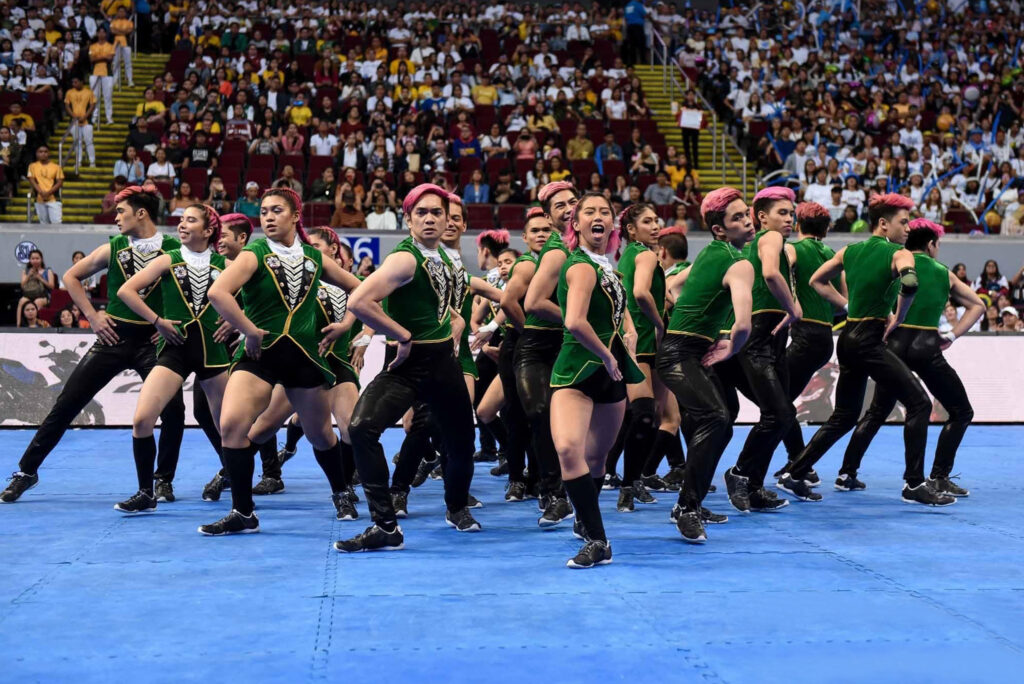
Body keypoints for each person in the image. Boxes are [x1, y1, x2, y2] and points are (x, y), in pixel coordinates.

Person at [2, 187, 185, 504]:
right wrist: (92, 316)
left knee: (174, 410)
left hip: (153, 343)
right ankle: (26, 471)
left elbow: (191, 293)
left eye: (121, 211)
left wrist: (169, 323)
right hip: (112, 337)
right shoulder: (112, 248)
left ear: (141, 213)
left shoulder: (175, 249)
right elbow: (71, 277)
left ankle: (163, 480)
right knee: (66, 404)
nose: (116, 218)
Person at [200, 189, 362, 535]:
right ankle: (243, 511)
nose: (269, 217)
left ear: (295, 216)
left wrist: (347, 324)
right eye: (264, 212)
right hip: (259, 355)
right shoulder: (254, 253)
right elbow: (217, 292)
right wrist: (249, 330)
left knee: (321, 435)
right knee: (232, 425)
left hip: (304, 357)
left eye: (276, 210)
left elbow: (360, 289)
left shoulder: (314, 257)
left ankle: (341, 491)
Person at [777, 194, 956, 507]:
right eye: (903, 222)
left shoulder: (849, 250)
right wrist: (898, 317)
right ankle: (914, 484)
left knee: (845, 415)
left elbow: (817, 280)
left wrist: (847, 306)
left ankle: (795, 472)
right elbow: (910, 283)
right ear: (883, 224)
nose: (908, 228)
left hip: (847, 338)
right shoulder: (899, 253)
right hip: (870, 340)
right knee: (918, 403)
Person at [336, 185, 484, 555]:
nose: (430, 218)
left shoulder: (445, 258)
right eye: (421, 212)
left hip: (444, 364)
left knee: (462, 441)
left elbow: (440, 302)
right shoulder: (405, 259)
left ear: (447, 220)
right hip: (408, 365)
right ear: (408, 219)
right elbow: (359, 301)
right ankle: (385, 525)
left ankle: (456, 508)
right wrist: (401, 335)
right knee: (361, 428)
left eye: (437, 212)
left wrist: (456, 321)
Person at [836, 219, 984, 496]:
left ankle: (847, 473)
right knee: (961, 411)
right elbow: (978, 305)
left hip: (892, 345)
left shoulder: (894, 264)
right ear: (930, 245)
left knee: (876, 412)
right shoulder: (943, 272)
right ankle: (938, 476)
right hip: (926, 347)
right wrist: (951, 335)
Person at [112, 205, 231, 514]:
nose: (182, 225)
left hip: (213, 354)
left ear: (208, 231)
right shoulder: (168, 258)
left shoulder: (226, 265)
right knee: (142, 420)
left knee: (229, 429)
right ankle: (145, 492)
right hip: (174, 350)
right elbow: (126, 291)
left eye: (190, 220)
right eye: (181, 220)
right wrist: (157, 321)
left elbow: (253, 299)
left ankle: (239, 491)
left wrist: (235, 323)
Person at [549, 192, 643, 568]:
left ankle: (584, 518)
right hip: (576, 371)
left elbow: (619, 313)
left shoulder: (609, 269)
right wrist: (606, 353)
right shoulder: (581, 266)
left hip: (611, 375)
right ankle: (597, 539)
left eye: (605, 211)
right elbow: (574, 321)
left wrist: (629, 334)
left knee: (598, 459)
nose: (598, 216)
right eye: (589, 211)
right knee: (569, 450)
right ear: (576, 224)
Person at [657, 187, 755, 543]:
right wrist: (729, 347)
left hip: (682, 350)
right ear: (719, 229)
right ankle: (685, 507)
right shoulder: (740, 264)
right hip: (681, 355)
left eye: (746, 213)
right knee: (716, 417)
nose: (748, 221)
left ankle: (693, 501)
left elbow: (671, 285)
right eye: (737, 218)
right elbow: (743, 325)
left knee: (723, 422)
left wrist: (691, 322)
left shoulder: (708, 254)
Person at [722, 186, 802, 513]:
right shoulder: (770, 238)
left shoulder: (762, 245)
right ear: (762, 217)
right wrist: (793, 307)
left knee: (784, 415)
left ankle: (754, 486)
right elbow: (770, 273)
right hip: (760, 339)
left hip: (771, 339)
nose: (789, 219)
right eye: (782, 213)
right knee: (779, 414)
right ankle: (739, 473)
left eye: (792, 213)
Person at [520, 181, 581, 525]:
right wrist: (576, 320)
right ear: (548, 216)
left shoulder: (583, 249)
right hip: (537, 347)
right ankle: (553, 493)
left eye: (573, 201)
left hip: (568, 345)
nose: (569, 208)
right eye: (560, 205)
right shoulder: (558, 251)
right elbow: (533, 302)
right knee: (541, 415)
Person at [773, 201, 845, 481]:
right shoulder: (831, 255)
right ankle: (799, 462)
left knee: (777, 403)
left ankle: (801, 464)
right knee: (782, 402)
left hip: (804, 335)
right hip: (825, 337)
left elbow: (779, 273)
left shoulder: (793, 249)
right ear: (825, 230)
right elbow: (841, 301)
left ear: (798, 224)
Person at [609, 203, 664, 512]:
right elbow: (641, 293)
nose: (655, 226)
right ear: (631, 229)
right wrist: (660, 324)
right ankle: (630, 485)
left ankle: (628, 479)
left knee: (644, 416)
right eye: (647, 221)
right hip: (643, 342)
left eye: (656, 220)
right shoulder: (646, 255)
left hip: (633, 342)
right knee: (646, 415)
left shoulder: (627, 257)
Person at [17, 249, 57, 326]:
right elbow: (22, 285)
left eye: (37, 258)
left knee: (37, 302)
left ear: (41, 259)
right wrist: (29, 275)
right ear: (30, 260)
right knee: (22, 301)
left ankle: (36, 324)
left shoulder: (48, 271)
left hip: (43, 296)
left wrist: (40, 278)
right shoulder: (26, 271)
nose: (35, 260)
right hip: (29, 294)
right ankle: (19, 325)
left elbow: (52, 286)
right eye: (33, 258)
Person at [64, 76, 96, 167]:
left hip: (87, 121)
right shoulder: (69, 92)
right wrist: (74, 116)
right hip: (74, 121)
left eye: (76, 82)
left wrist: (85, 116)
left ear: (81, 82)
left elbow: (92, 105)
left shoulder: (89, 92)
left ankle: (92, 162)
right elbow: (67, 105)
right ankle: (78, 162)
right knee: (77, 142)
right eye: (73, 82)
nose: (74, 84)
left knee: (89, 142)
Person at [28, 145, 64, 224]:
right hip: (39, 198)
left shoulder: (56, 167)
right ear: (37, 153)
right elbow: (32, 180)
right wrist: (41, 192)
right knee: (43, 223)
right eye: (40, 152)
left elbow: (59, 182)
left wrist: (48, 193)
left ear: (49, 153)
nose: (43, 154)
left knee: (56, 222)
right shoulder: (32, 166)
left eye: (45, 152)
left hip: (54, 198)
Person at [89, 28, 115, 126]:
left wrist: (98, 57)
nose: (101, 34)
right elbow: (91, 59)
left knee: (108, 96)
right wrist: (104, 57)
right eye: (99, 32)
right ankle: (94, 118)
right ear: (97, 34)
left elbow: (110, 58)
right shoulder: (92, 46)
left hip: (107, 73)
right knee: (95, 97)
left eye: (103, 32)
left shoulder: (110, 46)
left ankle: (109, 118)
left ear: (106, 34)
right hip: (94, 73)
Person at [109, 7, 134, 87]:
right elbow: (112, 31)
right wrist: (123, 32)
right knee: (115, 62)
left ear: (125, 13)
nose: (121, 13)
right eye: (120, 11)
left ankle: (130, 80)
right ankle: (115, 80)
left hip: (126, 43)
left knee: (128, 62)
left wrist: (118, 31)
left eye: (123, 11)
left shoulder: (129, 22)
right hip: (115, 44)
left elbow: (129, 31)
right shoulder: (113, 22)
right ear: (117, 13)